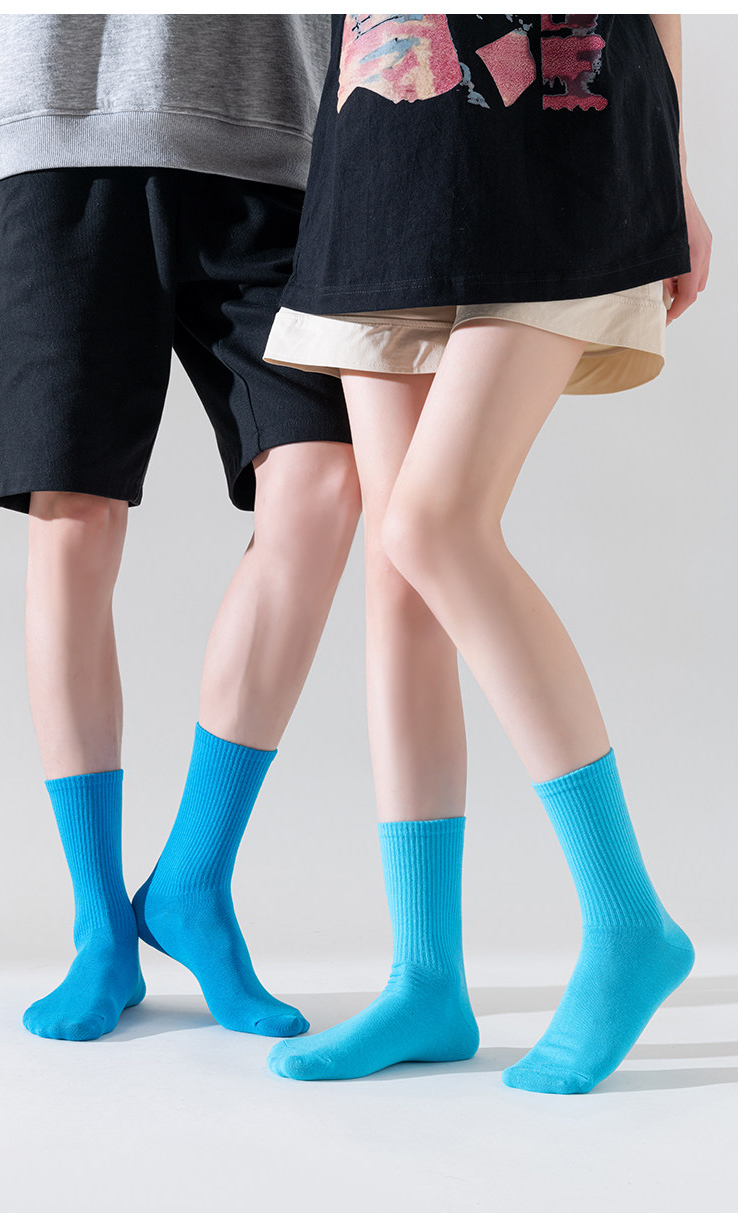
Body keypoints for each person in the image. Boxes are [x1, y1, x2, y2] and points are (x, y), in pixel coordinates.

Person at [262, 14, 711, 1091]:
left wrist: (676, 170)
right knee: (397, 576)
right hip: (382, 140)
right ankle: (424, 979)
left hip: (565, 119)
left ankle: (626, 920)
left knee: (435, 524)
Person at [0, 14, 361, 1042]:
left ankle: (192, 880)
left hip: (281, 144)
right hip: (61, 127)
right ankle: (99, 925)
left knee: (323, 486)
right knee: (74, 519)